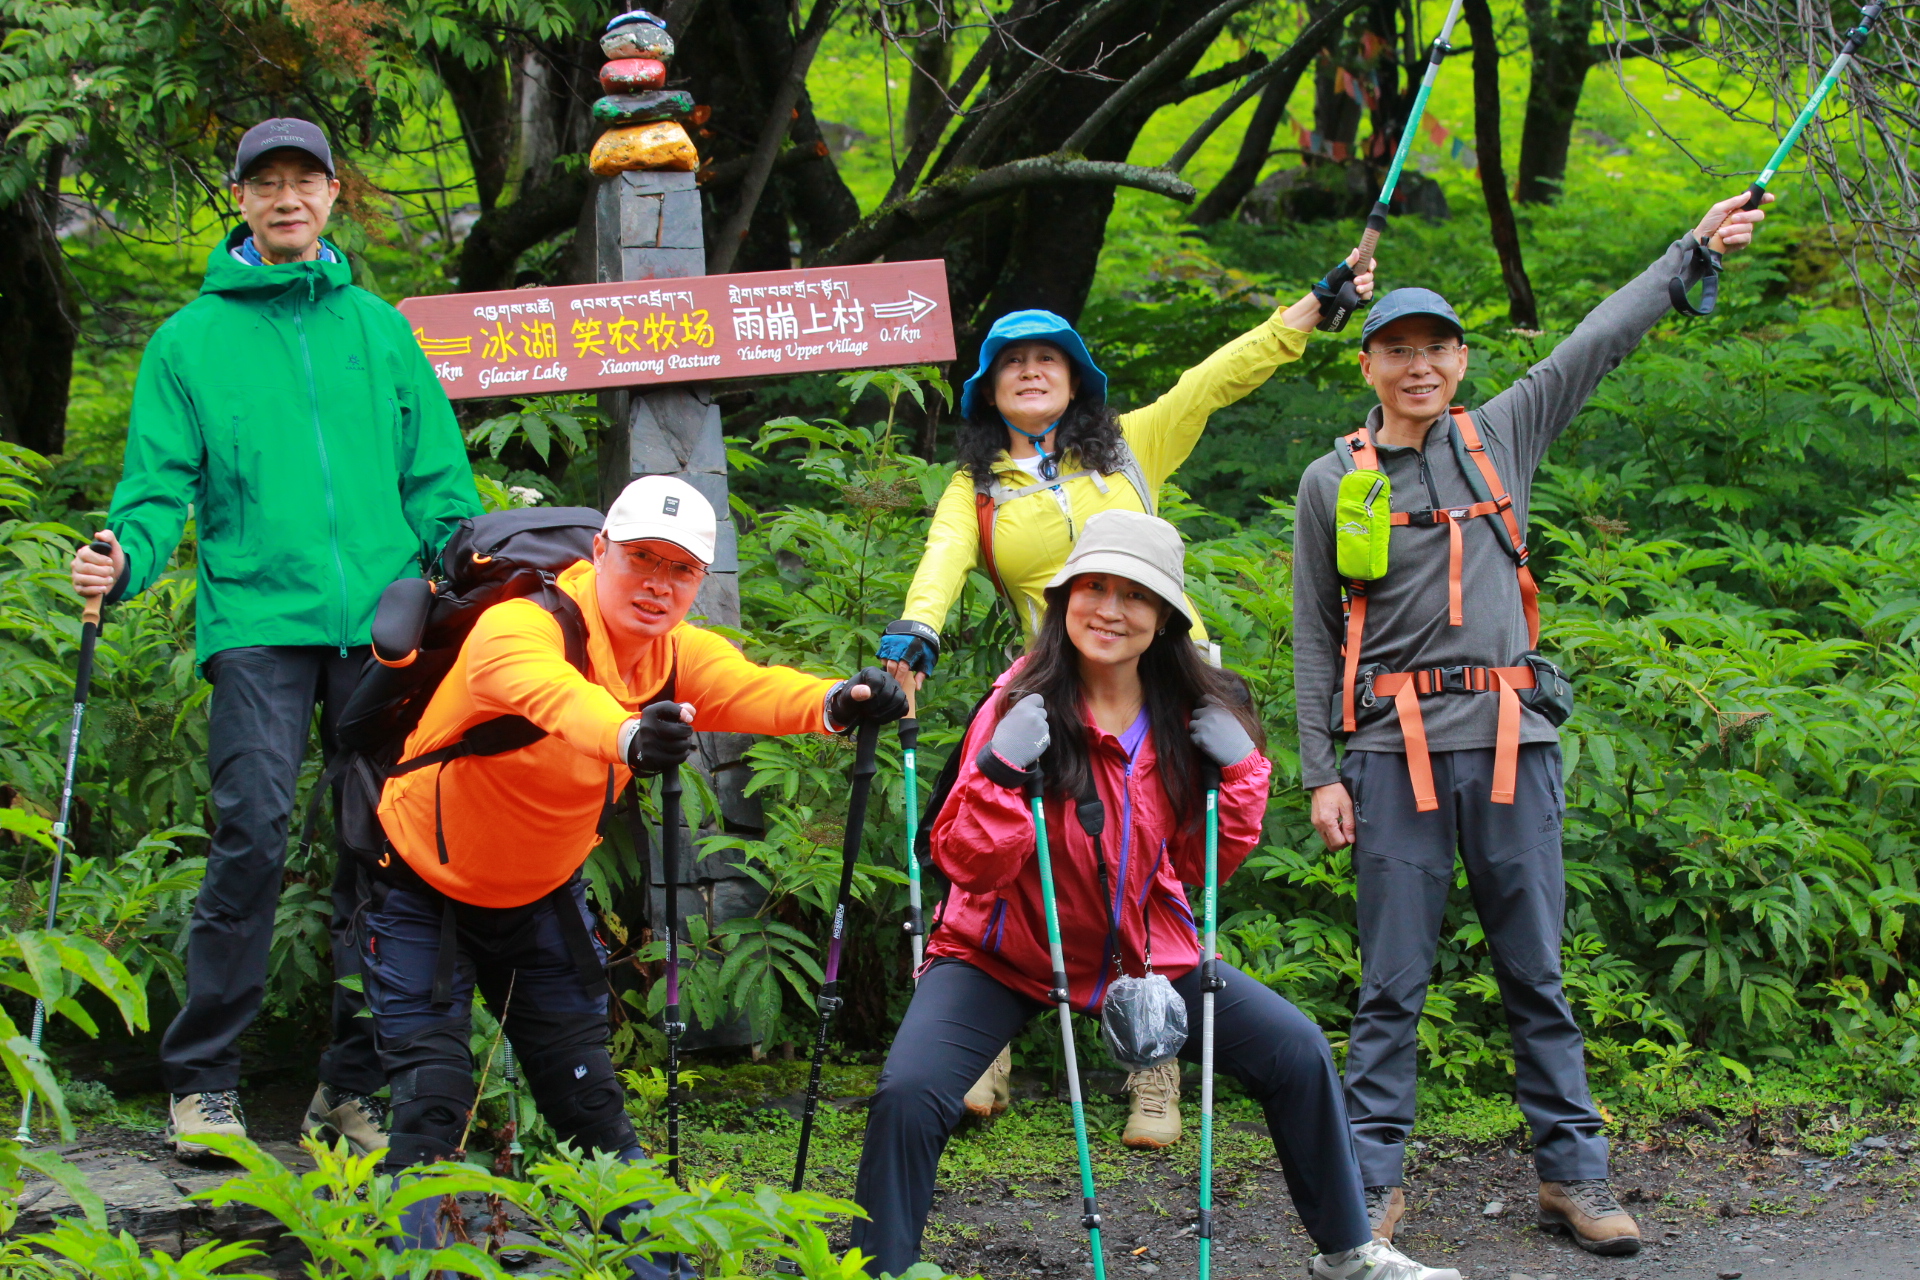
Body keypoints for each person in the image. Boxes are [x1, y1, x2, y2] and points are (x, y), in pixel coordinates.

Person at [1291, 192, 1772, 1255]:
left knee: (1536, 973)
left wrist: (1689, 249)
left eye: (1437, 349)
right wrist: (1321, 771)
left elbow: (1598, 338)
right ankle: (1370, 1184)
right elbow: (1315, 635)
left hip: (1514, 744)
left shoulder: (1503, 432)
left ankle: (1574, 1176)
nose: (1419, 366)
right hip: (1390, 757)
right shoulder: (1332, 480)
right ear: (1367, 364)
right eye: (1398, 350)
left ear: (1461, 361)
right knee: (1390, 985)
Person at [852, 510, 1459, 1280]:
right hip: (1004, 950)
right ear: (1063, 598)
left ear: (1166, 616)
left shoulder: (1185, 712)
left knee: (1297, 1050)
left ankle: (1349, 1252)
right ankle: (877, 1269)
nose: (1110, 610)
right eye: (1093, 588)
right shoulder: (1017, 702)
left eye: (1135, 595)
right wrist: (1002, 776)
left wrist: (1240, 775)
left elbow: (1201, 864)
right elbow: (968, 865)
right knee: (909, 1093)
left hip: (1142, 948)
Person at [877, 260, 1375, 1145]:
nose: (1031, 371)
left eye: (1049, 359)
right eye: (1011, 362)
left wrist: (1306, 309)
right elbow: (942, 559)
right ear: (989, 391)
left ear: (1077, 382)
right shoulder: (976, 488)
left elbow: (1211, 381)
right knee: (985, 830)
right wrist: (916, 632)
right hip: (1055, 695)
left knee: (1156, 876)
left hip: (1166, 693)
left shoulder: (1129, 448)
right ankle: (981, 1034)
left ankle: (1156, 1071)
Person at [69, 118, 481, 1158]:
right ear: (242, 200)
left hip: (383, 625)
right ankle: (204, 1082)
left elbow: (438, 481)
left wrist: (470, 570)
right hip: (257, 621)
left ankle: (353, 1083)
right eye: (267, 183)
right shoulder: (189, 342)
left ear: (334, 195)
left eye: (306, 179)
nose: (287, 197)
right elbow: (155, 490)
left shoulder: (379, 330)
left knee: (380, 848)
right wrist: (123, 556)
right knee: (251, 833)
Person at [362, 475, 908, 1257]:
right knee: (430, 1107)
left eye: (681, 569)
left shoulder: (675, 654)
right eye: (641, 558)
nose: (658, 583)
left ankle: (659, 1267)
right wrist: (627, 737)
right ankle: (415, 1264)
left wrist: (839, 702)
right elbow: (555, 698)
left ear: (699, 581)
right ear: (599, 551)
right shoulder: (518, 625)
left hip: (540, 897)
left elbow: (752, 689)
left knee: (592, 1110)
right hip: (421, 886)